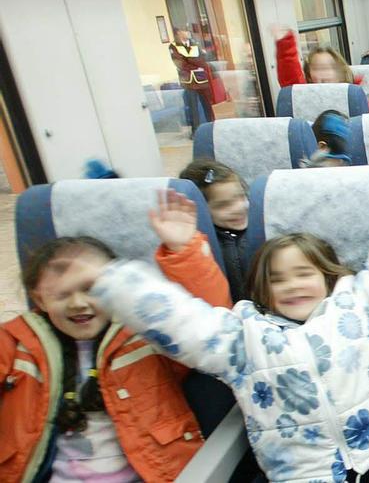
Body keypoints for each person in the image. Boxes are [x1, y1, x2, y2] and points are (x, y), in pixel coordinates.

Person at [51, 163, 369, 482]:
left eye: (302, 273)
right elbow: (179, 321)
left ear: (329, 276)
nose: (291, 286)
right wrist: (109, 280)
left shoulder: (367, 306)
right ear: (262, 291)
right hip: (302, 474)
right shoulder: (243, 339)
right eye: (276, 280)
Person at [0, 195, 232, 481]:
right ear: (39, 298)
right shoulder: (15, 342)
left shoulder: (145, 335)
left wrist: (184, 251)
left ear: (115, 288)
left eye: (90, 288)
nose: (78, 303)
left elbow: (207, 324)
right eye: (62, 294)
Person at [179, 160, 250, 301]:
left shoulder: (261, 226)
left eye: (242, 196)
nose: (240, 207)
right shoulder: (200, 246)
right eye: (223, 205)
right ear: (201, 211)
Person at [273, 25, 369, 113]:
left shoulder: (355, 98)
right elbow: (291, 77)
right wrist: (285, 42)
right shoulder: (305, 97)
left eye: (327, 68)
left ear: (340, 72)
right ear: (309, 75)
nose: (322, 73)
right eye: (317, 69)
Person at [169, 26, 216, 133]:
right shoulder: (173, 46)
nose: (188, 33)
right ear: (179, 33)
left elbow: (203, 61)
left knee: (207, 105)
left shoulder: (195, 44)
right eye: (185, 30)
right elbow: (180, 64)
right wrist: (195, 62)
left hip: (201, 79)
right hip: (188, 81)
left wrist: (189, 59)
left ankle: (212, 127)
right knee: (193, 107)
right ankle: (196, 131)